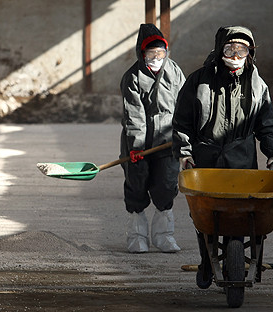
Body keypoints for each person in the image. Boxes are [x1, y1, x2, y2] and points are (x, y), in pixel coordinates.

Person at [172, 26, 273, 288]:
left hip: (241, 158)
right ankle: (206, 260)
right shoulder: (198, 80)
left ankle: (237, 258)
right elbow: (182, 121)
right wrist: (185, 152)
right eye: (230, 49)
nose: (235, 55)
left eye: (242, 50)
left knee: (243, 213)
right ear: (219, 49)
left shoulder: (258, 86)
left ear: (250, 53)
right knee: (204, 216)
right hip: (206, 156)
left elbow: (266, 124)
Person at [120, 23, 186, 253]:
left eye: (161, 53)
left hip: (168, 142)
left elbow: (184, 105)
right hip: (138, 146)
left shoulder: (175, 72)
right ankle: (136, 236)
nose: (157, 58)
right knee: (137, 185)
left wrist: (185, 136)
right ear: (142, 53)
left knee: (167, 185)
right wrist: (135, 146)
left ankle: (163, 235)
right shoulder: (133, 78)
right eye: (151, 54)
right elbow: (134, 116)